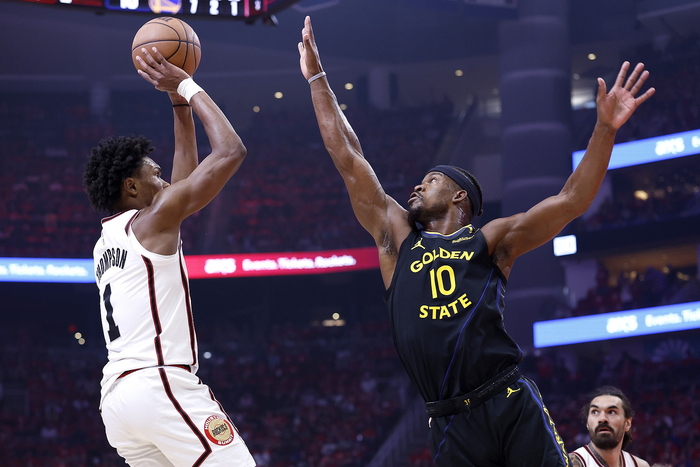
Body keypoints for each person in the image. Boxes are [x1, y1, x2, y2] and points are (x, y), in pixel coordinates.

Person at [297, 15, 654, 467]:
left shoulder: (490, 240)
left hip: (507, 398)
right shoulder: (397, 239)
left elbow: (570, 200)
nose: (416, 186)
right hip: (448, 418)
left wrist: (605, 129)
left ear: (459, 195)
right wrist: (317, 79)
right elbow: (348, 156)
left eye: (430, 180)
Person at [83, 47, 255, 467]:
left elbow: (184, 182)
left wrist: (179, 106)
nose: (165, 181)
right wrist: (186, 85)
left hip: (118, 403)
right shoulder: (151, 222)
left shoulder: (107, 240)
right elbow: (231, 151)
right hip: (158, 384)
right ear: (131, 187)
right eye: (154, 174)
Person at [570, 386, 650, 467]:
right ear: (587, 423)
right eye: (595, 412)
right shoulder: (572, 463)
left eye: (611, 412)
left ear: (627, 423)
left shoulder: (640, 465)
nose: (602, 419)